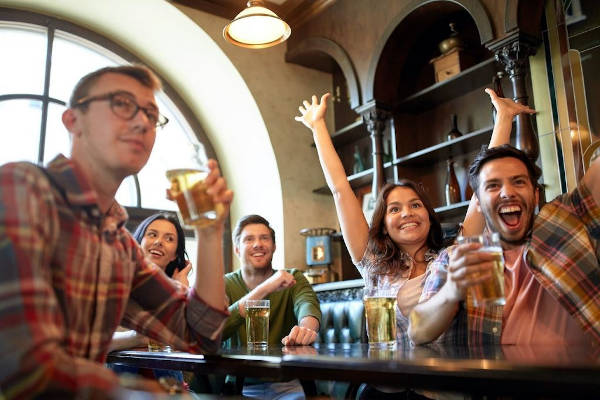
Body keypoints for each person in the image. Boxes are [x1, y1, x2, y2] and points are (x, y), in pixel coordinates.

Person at [0, 65, 233, 398]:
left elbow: (202, 334)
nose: (141, 121)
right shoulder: (22, 188)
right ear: (73, 121)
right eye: (122, 104)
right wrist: (161, 395)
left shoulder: (118, 246)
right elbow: (23, 366)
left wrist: (211, 232)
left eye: (152, 115)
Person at [295, 90, 534, 399]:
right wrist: (318, 127)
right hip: (384, 391)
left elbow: (479, 198)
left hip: (441, 390)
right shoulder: (371, 261)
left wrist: (503, 119)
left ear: (428, 215)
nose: (406, 213)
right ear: (382, 224)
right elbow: (341, 189)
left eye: (416, 205)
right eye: (394, 209)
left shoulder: (451, 256)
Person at [408, 142, 600, 346]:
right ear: (479, 203)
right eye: (493, 186)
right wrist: (451, 292)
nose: (507, 192)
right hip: (502, 377)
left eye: (518, 182)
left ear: (535, 196)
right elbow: (417, 331)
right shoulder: (457, 257)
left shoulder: (568, 217)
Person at [222, 214, 321, 399]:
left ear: (274, 246)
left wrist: (306, 330)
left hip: (288, 384)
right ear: (236, 248)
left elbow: (308, 305)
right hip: (238, 387)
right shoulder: (224, 284)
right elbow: (218, 330)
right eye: (249, 239)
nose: (258, 244)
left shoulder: (293, 277)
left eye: (264, 238)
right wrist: (267, 287)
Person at [108, 213, 192, 384]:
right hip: (117, 385)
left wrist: (182, 290)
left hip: (167, 386)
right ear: (138, 242)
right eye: (152, 234)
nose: (159, 242)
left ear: (175, 255)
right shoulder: (113, 283)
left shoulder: (177, 291)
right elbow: (93, 343)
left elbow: (191, 349)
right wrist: (136, 337)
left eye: (169, 239)